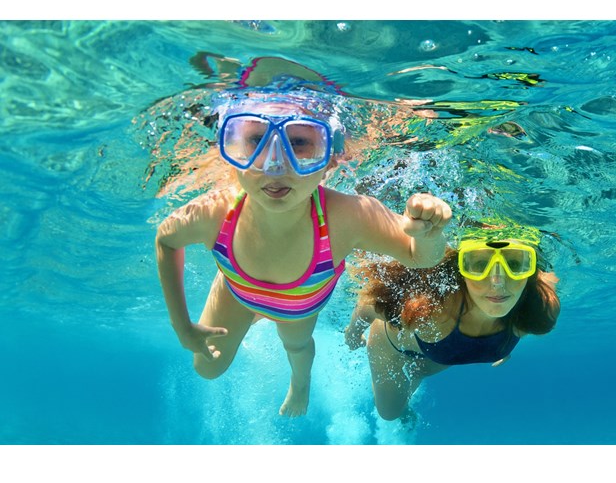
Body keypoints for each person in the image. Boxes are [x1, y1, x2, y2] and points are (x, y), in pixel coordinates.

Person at [155, 88, 452, 417]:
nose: (275, 165)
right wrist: (182, 326)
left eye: (298, 143)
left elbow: (420, 256)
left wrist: (428, 234)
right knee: (206, 367)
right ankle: (246, 303)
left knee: (296, 346)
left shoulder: (345, 218)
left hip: (298, 306)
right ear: (232, 149)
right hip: (237, 292)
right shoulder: (215, 213)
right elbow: (166, 241)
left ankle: (301, 385)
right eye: (255, 141)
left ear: (331, 158)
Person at [345, 225, 560, 421]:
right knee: (390, 413)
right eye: (480, 265)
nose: (498, 282)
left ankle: (417, 373)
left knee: (419, 371)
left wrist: (505, 346)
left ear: (530, 271)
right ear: (461, 270)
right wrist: (353, 334)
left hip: (440, 353)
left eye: (514, 264)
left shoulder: (539, 307)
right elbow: (368, 305)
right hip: (394, 348)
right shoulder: (432, 310)